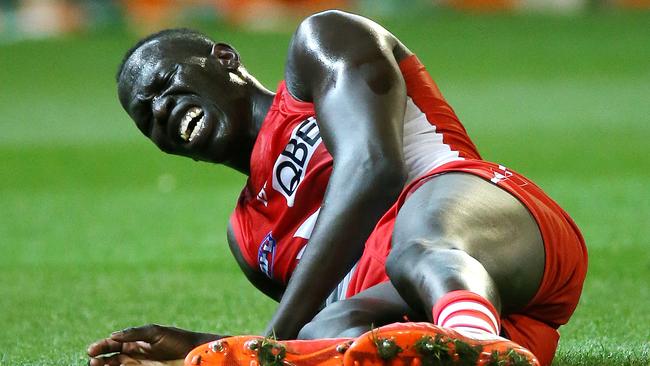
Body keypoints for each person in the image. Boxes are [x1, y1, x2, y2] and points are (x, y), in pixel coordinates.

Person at [87, 10, 587, 366]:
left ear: (223, 58)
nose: (158, 110)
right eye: (144, 118)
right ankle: (472, 344)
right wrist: (203, 347)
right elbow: (308, 330)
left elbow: (375, 167)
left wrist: (266, 346)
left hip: (501, 231)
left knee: (415, 246)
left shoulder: (320, 46)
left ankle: (473, 345)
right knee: (330, 327)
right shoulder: (249, 238)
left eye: (166, 82)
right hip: (490, 314)